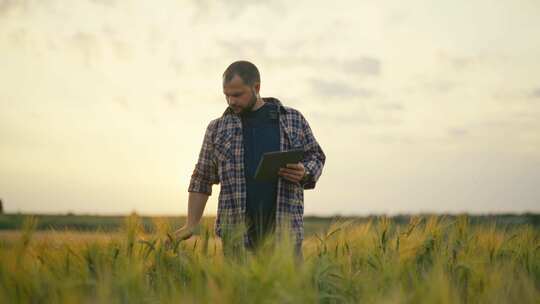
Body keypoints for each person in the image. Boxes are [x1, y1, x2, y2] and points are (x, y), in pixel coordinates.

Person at [173, 60, 325, 262]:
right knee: (239, 294)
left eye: (237, 95)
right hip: (237, 240)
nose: (231, 101)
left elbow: (316, 155)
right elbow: (202, 178)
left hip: (285, 237)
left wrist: (304, 172)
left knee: (290, 294)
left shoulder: (293, 119)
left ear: (257, 87)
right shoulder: (217, 129)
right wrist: (190, 224)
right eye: (226, 95)